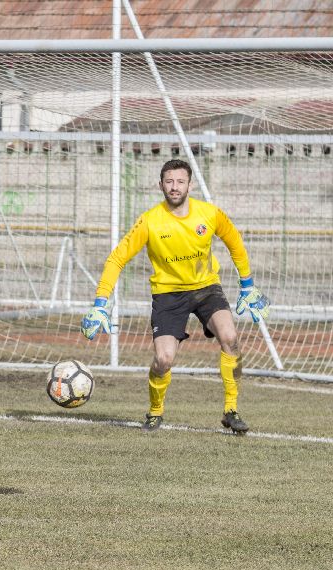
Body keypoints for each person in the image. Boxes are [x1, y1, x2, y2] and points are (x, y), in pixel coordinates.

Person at [81, 158, 270, 434]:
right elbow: (116, 259)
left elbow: (236, 244)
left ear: (190, 184)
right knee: (164, 360)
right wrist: (100, 303)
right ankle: (155, 412)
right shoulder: (150, 221)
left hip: (207, 289)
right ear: (160, 185)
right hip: (168, 295)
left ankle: (231, 410)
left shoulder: (210, 214)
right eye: (169, 181)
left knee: (230, 338)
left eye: (180, 181)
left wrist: (248, 285)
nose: (174, 187)